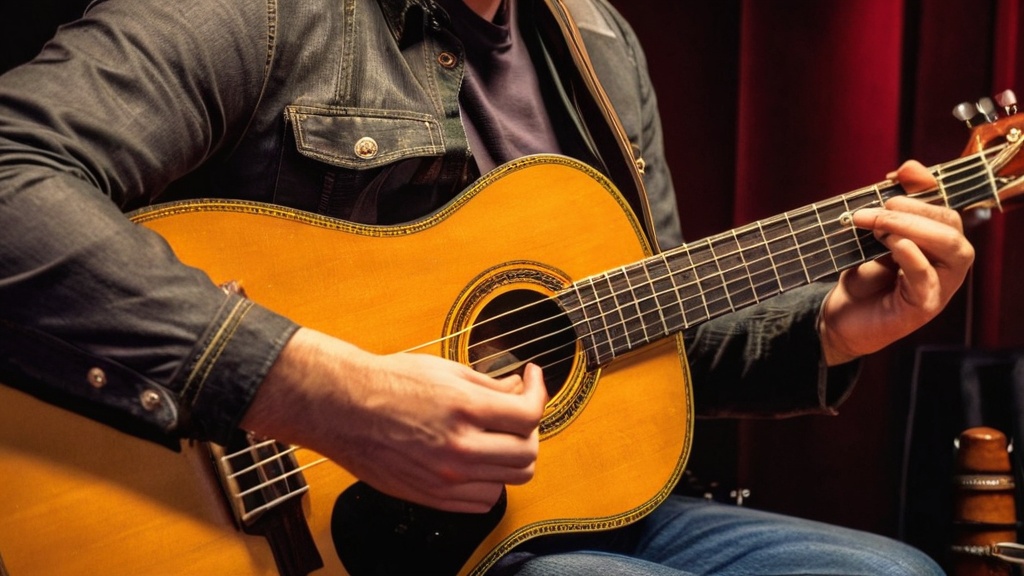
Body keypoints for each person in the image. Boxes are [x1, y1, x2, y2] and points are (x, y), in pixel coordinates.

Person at [0, 0, 973, 574]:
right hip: (270, 526)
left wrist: (832, 328)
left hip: (543, 509)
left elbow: (631, 327)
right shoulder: (256, 16)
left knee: (895, 569)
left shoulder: (596, 42)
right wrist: (320, 391)